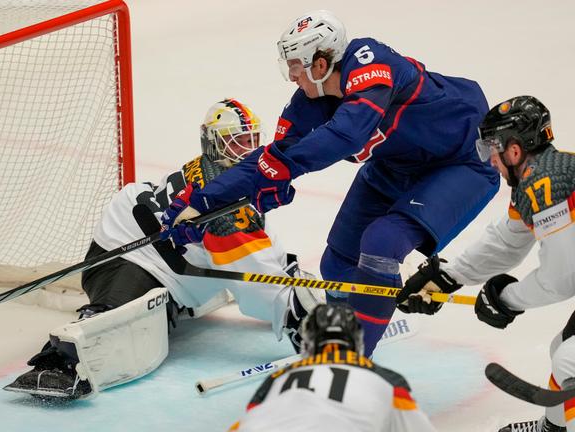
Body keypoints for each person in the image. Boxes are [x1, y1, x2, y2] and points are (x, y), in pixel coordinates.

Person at [160, 10, 499, 357]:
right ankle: (338, 339)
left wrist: (282, 168)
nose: (291, 76)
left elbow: (345, 136)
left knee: (382, 242)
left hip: (462, 163)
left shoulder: (371, 62)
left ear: (320, 64)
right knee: (337, 263)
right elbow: (269, 159)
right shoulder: (310, 101)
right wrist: (203, 203)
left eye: (295, 65)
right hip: (399, 164)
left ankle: (349, 364)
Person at [3, 98, 322, 400]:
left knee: (234, 273)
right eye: (236, 142)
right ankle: (60, 362)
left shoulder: (228, 178)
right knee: (121, 317)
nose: (247, 150)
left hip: (169, 253)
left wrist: (290, 281)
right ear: (213, 143)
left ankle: (177, 303)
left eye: (252, 140)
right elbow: (255, 284)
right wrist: (296, 315)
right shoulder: (222, 201)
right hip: (127, 252)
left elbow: (260, 246)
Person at [395, 96, 575, 432]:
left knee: (571, 363)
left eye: (492, 147)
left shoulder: (544, 185)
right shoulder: (541, 177)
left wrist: (507, 299)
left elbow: (561, 278)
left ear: (516, 150)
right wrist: (450, 277)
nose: (489, 159)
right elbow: (508, 242)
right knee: (564, 349)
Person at [229, 303, 436, 431]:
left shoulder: (278, 378)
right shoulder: (388, 380)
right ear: (358, 343)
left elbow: (248, 420)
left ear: (307, 345)